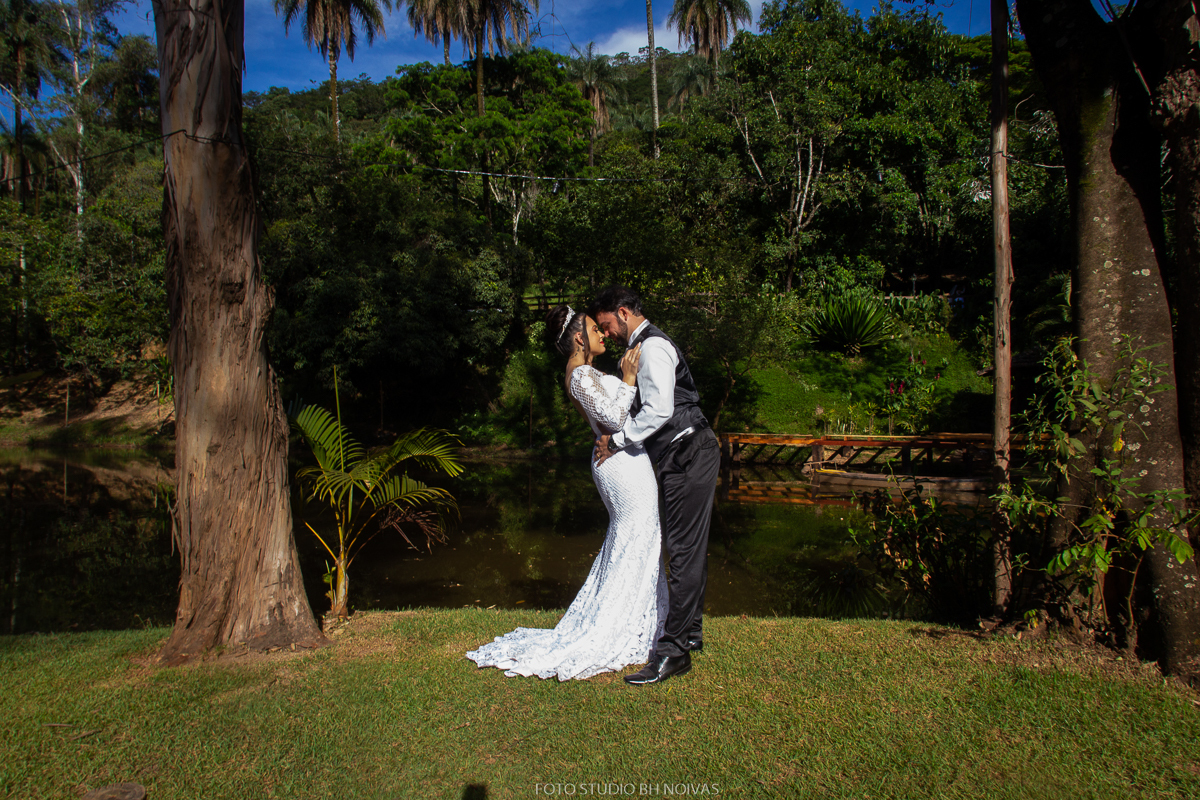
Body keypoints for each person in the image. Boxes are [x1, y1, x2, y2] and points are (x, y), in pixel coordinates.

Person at [465, 305, 668, 681]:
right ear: (579, 337)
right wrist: (627, 379)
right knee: (635, 536)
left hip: (623, 460)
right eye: (595, 329)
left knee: (637, 538)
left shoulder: (586, 373)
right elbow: (612, 419)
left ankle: (644, 622)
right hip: (621, 466)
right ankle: (617, 627)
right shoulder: (578, 376)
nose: (603, 334)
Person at [589, 286, 721, 686]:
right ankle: (691, 634)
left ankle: (674, 651)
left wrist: (617, 440)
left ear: (624, 313)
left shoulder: (653, 348)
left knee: (682, 550)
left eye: (607, 323)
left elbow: (660, 409)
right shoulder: (640, 349)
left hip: (688, 452)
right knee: (687, 548)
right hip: (684, 455)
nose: (606, 332)